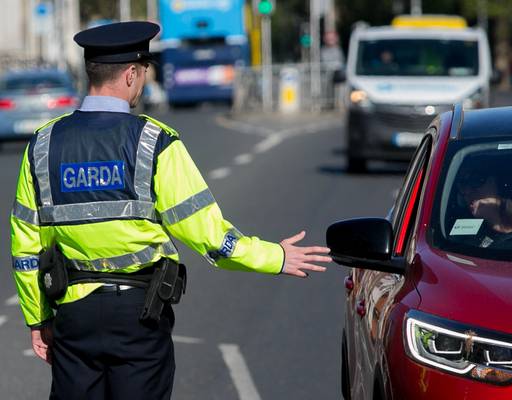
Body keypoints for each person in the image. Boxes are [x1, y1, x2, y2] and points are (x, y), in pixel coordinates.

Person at [10, 21, 330, 400]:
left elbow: (26, 250)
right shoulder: (154, 142)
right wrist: (274, 256)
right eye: (143, 73)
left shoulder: (42, 145)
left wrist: (39, 318)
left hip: (73, 317)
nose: (143, 82)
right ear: (130, 74)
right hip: (139, 316)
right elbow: (210, 237)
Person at [456, 167, 512, 248]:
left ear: (499, 183)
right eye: (462, 184)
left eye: (476, 180)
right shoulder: (462, 232)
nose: (466, 191)